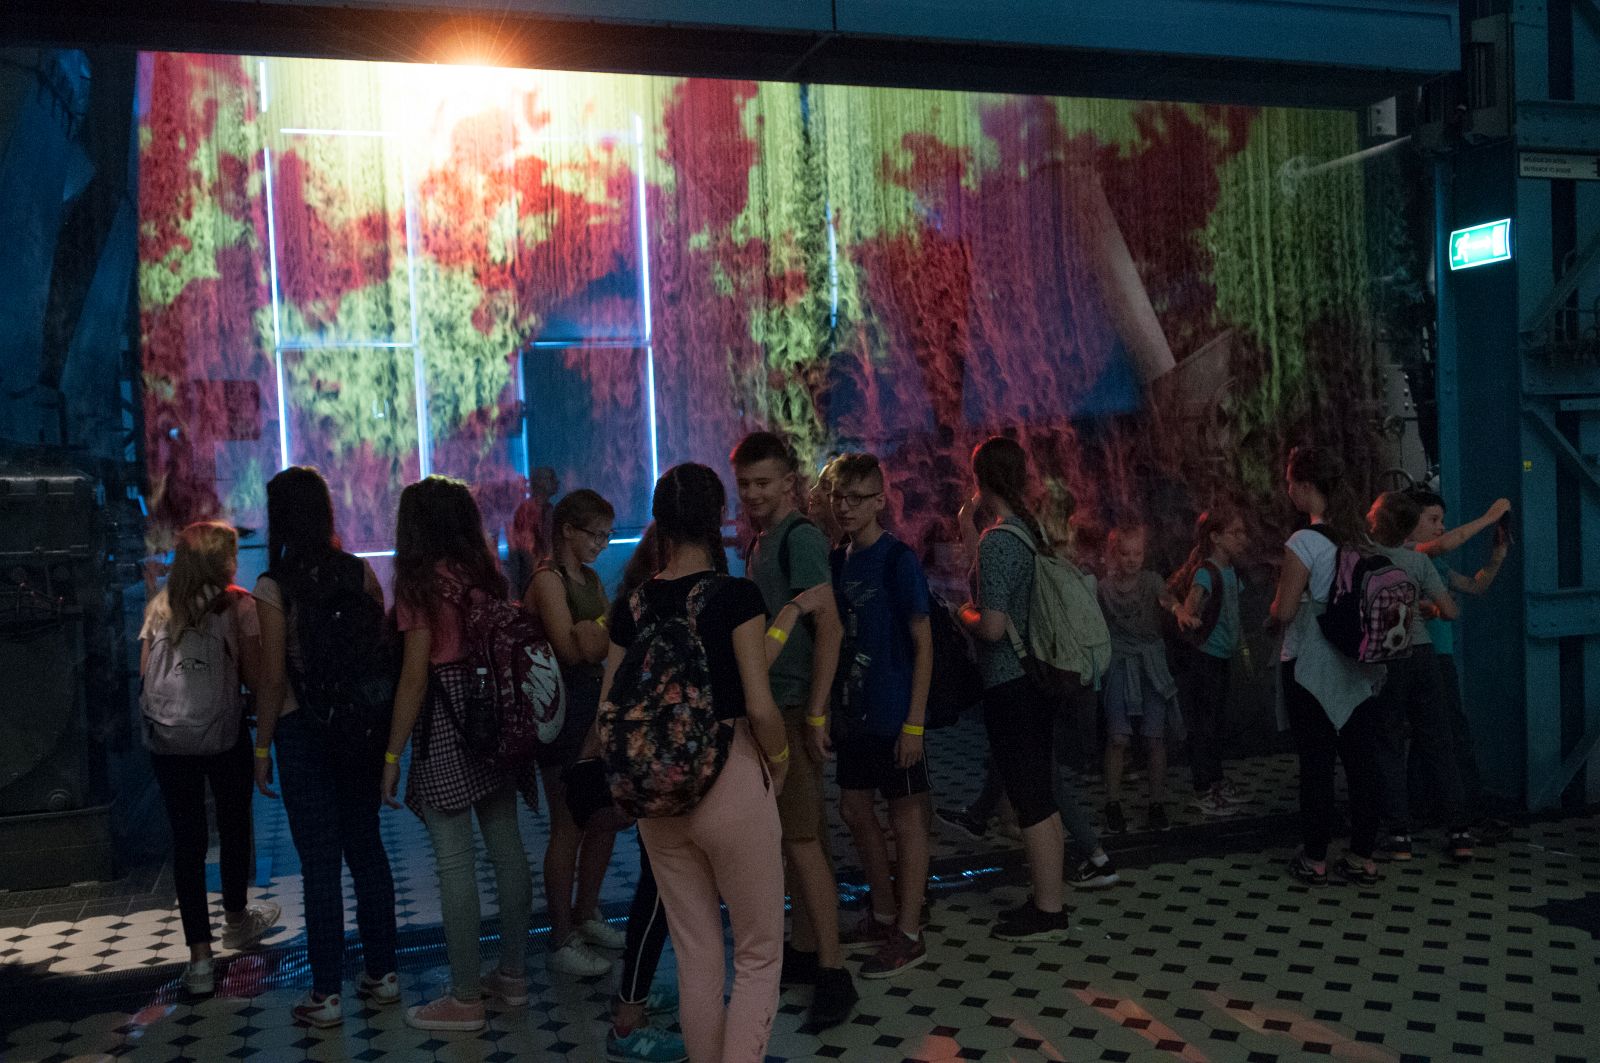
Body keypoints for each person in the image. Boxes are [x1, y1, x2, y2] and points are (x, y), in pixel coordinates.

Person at [597, 463, 792, 1063]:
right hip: (730, 778)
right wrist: (781, 760)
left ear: (658, 521)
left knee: (697, 954)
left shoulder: (631, 606)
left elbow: (607, 710)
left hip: (657, 799)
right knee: (758, 954)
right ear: (720, 518)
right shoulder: (736, 597)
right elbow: (759, 706)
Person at [381, 476, 534, 1032]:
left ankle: (465, 997)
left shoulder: (420, 586)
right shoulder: (484, 575)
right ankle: (512, 976)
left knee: (454, 862)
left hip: (445, 720)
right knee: (507, 850)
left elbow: (414, 677)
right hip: (495, 713)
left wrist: (392, 757)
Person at [251, 467, 399, 1026]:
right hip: (359, 730)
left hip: (303, 733)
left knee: (320, 862)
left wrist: (261, 748)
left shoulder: (274, 586)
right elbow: (379, 648)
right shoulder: (360, 572)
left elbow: (272, 679)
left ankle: (326, 993)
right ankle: (383, 973)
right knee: (366, 847)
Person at [731, 432, 857, 1024]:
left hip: (789, 703)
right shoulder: (765, 540)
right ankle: (808, 950)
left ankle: (834, 972)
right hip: (777, 701)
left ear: (789, 482)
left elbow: (828, 624)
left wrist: (815, 710)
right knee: (798, 838)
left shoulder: (798, 538)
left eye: (763, 483)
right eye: (745, 484)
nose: (753, 493)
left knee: (803, 841)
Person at [139, 521, 280, 998]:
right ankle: (236, 921)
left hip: (168, 741)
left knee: (188, 842)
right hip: (224, 735)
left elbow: (146, 675)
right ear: (223, 562)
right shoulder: (237, 604)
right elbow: (256, 678)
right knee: (234, 824)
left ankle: (199, 960)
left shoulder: (160, 606)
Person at [817, 452, 934, 976]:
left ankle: (908, 931)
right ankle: (884, 911)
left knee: (906, 816)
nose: (845, 507)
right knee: (854, 808)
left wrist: (914, 724)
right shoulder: (837, 560)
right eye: (838, 497)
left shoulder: (897, 560)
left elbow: (923, 643)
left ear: (879, 501)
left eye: (856, 498)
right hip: (854, 712)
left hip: (893, 710)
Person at [958, 437, 1071, 940]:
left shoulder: (999, 541)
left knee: (1030, 800)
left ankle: (1048, 911)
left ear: (980, 480)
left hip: (1011, 683)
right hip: (1034, 680)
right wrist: (968, 527)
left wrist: (959, 614)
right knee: (1038, 793)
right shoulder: (1024, 531)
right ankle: (1049, 897)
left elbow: (993, 626)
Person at [1270, 445, 1387, 886]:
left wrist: (1274, 609)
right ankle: (1362, 857)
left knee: (1317, 764)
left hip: (1311, 665)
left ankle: (1315, 858)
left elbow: (1284, 611)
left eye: (1289, 483)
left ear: (1304, 488)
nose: (1287, 490)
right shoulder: (1360, 538)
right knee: (1362, 763)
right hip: (1359, 664)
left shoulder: (1304, 541)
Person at [597, 524, 690, 1063]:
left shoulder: (631, 605)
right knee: (657, 892)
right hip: (666, 767)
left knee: (658, 889)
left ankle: (637, 993)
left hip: (646, 765)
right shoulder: (665, 607)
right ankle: (627, 1023)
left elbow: (611, 698)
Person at [525, 489, 624, 978]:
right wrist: (595, 634)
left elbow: (606, 640)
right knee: (568, 822)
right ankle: (561, 933)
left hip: (591, 706)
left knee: (604, 815)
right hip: (559, 713)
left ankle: (586, 912)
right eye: (595, 535)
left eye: (607, 536)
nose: (602, 545)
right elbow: (572, 649)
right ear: (568, 530)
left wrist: (594, 636)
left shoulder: (588, 578)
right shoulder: (548, 579)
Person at [1364, 490, 1467, 862]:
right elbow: (1451, 611)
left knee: (1389, 743)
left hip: (1387, 658)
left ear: (1378, 522)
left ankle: (1399, 836)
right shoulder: (1419, 561)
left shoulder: (1365, 559)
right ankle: (1459, 832)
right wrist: (1427, 609)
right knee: (1439, 742)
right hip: (1424, 655)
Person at [1407, 489, 1512, 836]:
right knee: (1452, 732)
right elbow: (1444, 544)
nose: (1441, 527)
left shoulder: (1434, 564)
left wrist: (1497, 556)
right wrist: (1489, 517)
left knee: (1430, 734)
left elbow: (1474, 586)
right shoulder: (1411, 553)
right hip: (1428, 656)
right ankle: (1464, 812)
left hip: (1438, 654)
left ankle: (1423, 808)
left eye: (1442, 520)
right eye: (1433, 520)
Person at [1097, 524, 1179, 833]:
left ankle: (1156, 803)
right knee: (1118, 737)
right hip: (1120, 660)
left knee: (1154, 736)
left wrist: (1179, 610)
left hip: (1150, 662)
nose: (1132, 559)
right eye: (1125, 553)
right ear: (1114, 554)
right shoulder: (1104, 588)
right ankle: (1113, 803)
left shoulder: (1151, 581)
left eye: (1137, 553)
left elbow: (1166, 599)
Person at [1170, 509, 1251, 817]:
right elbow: (1190, 612)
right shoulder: (1207, 572)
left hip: (1221, 656)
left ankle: (1215, 780)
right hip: (1205, 659)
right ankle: (1203, 786)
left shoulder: (1230, 571)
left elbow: (1232, 611)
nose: (1243, 539)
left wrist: (1241, 648)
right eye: (1236, 533)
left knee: (1215, 722)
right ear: (1216, 537)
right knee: (1204, 724)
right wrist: (1190, 618)